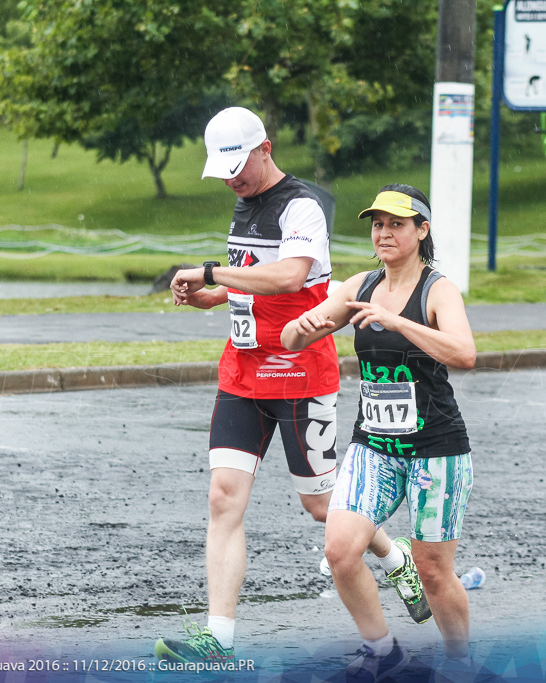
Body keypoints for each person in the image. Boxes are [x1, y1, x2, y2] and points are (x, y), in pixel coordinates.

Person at [154, 109, 430, 664]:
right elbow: (257, 283)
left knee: (321, 505)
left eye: (239, 166)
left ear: (266, 148)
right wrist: (215, 296)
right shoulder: (244, 199)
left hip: (300, 374)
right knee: (223, 498)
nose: (233, 178)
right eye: (224, 170)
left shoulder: (301, 204)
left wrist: (210, 273)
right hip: (242, 372)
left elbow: (289, 274)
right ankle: (219, 640)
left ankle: (393, 553)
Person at [281, 184, 477, 681]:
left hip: (437, 449)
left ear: (421, 230)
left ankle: (459, 662)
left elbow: (464, 353)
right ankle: (383, 650)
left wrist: (396, 320)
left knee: (432, 570)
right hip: (375, 445)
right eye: (377, 224)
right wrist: (304, 328)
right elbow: (294, 334)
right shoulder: (359, 286)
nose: (384, 233)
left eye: (396, 224)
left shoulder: (438, 289)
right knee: (340, 551)